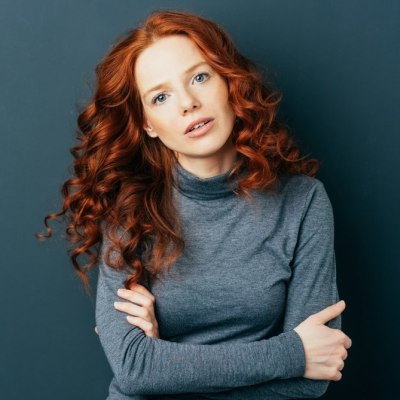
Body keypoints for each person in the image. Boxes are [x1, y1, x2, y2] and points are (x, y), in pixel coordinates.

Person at [37, 9, 352, 400]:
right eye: (161, 96)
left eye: (200, 77)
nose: (188, 103)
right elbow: (135, 370)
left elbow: (310, 381)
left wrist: (166, 364)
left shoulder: (302, 203)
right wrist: (292, 353)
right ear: (148, 123)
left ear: (229, 83)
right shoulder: (129, 209)